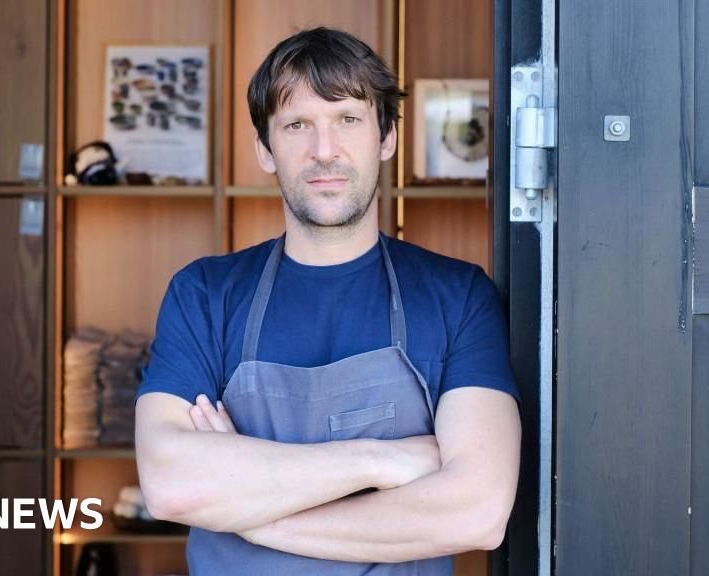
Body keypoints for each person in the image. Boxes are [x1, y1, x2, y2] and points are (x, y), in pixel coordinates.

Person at [134, 27, 521, 575]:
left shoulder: (458, 297)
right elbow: (171, 485)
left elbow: (476, 512)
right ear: (265, 149)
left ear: (386, 138)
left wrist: (251, 518)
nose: (324, 151)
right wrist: (382, 459)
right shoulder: (204, 295)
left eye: (348, 119)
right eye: (297, 125)